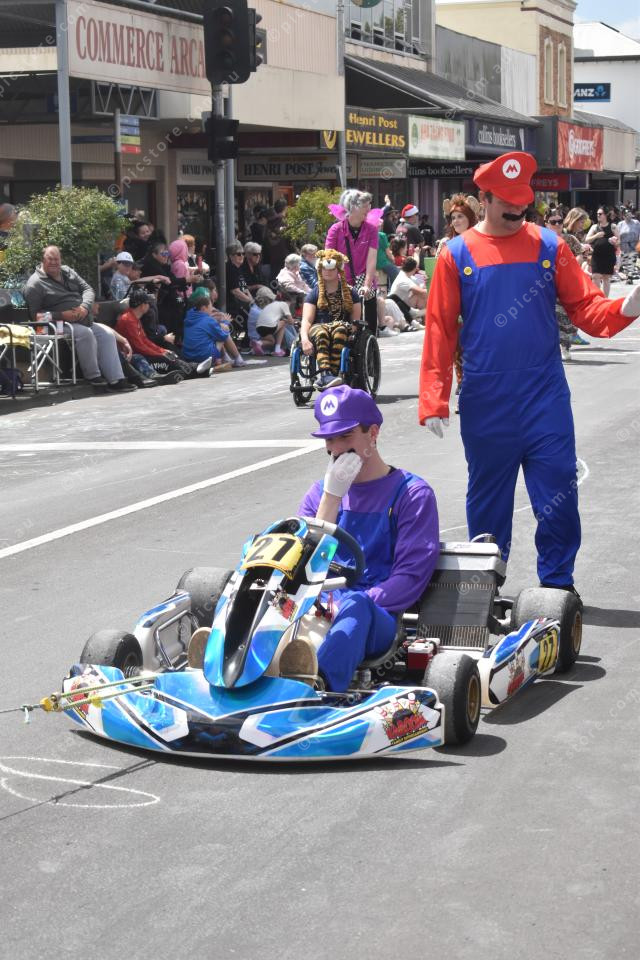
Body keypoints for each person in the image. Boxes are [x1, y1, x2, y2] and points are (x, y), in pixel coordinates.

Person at [418, 150, 640, 598]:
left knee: (558, 493)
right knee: (488, 503)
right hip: (486, 400)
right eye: (507, 201)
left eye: (523, 200)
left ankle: (557, 586)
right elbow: (439, 327)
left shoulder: (549, 246)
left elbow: (586, 307)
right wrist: (433, 397)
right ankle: (484, 590)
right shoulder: (456, 254)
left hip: (544, 396)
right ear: (484, 199)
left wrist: (627, 307)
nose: (518, 208)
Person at [286, 385, 439, 691]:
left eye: (346, 436)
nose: (337, 449)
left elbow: (410, 578)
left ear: (373, 433)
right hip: (318, 605)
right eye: (330, 439)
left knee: (355, 604)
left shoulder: (412, 494)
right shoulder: (319, 495)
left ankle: (316, 688)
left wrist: (346, 603)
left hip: (376, 614)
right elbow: (300, 565)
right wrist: (332, 498)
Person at [23, 245, 135, 391]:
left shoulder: (67, 271)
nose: (54, 262)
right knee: (85, 333)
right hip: (55, 325)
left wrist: (84, 307)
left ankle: (116, 379)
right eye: (50, 259)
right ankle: (94, 377)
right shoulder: (34, 284)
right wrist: (62, 315)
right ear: (42, 260)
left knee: (107, 335)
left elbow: (88, 289)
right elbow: (35, 317)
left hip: (82, 318)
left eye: (56, 259)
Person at [301, 249, 361, 391]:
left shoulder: (351, 292)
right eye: (324, 268)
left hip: (342, 327)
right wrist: (304, 339)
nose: (327, 271)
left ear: (338, 269)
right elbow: (307, 320)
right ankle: (326, 375)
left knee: (340, 329)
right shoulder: (314, 293)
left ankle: (333, 374)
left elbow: (356, 320)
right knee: (321, 332)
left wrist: (352, 331)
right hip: (319, 327)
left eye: (331, 268)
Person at [116, 289, 209, 379]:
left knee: (170, 355)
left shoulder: (134, 318)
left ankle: (196, 368)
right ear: (142, 305)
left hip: (141, 354)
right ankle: (196, 370)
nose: (149, 305)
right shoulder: (128, 320)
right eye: (148, 303)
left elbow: (145, 341)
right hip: (136, 358)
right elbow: (139, 347)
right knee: (165, 359)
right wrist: (159, 354)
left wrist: (162, 351)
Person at [326, 189, 379, 335]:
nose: (368, 209)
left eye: (369, 205)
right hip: (342, 281)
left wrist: (367, 285)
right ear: (352, 207)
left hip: (364, 280)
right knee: (342, 327)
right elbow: (329, 258)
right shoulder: (336, 230)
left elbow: (371, 260)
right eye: (365, 205)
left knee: (369, 327)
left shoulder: (371, 230)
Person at [182, 293, 246, 369]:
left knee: (215, 332)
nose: (212, 309)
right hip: (204, 358)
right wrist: (225, 322)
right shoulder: (208, 320)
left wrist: (217, 321)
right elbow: (222, 335)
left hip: (188, 358)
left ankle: (225, 358)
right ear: (203, 308)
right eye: (210, 306)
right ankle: (238, 360)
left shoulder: (189, 317)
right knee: (224, 332)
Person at [247, 286, 291, 356]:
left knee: (282, 323)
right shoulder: (260, 312)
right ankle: (277, 349)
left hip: (254, 335)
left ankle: (259, 345)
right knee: (283, 323)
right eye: (269, 300)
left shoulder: (255, 308)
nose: (271, 301)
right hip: (260, 336)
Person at [585, 205, 618, 297]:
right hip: (597, 255)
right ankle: (597, 298)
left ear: (606, 215)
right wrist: (596, 236)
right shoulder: (594, 227)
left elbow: (619, 241)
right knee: (595, 276)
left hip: (609, 255)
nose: (598, 215)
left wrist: (614, 241)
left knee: (606, 278)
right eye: (597, 214)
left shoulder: (613, 226)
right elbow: (587, 240)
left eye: (600, 214)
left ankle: (605, 299)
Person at [225, 241, 254, 343]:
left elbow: (244, 288)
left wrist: (252, 301)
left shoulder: (238, 268)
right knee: (249, 318)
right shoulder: (230, 269)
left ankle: (247, 343)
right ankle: (243, 344)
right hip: (233, 305)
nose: (242, 256)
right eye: (238, 254)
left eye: (243, 254)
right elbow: (235, 291)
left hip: (241, 303)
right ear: (231, 256)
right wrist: (250, 301)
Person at [618, 208, 640, 283]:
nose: (629, 216)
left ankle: (630, 277)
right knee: (625, 262)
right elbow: (617, 234)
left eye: (630, 214)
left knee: (632, 261)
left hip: (633, 244)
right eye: (627, 215)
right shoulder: (620, 224)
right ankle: (628, 276)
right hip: (624, 245)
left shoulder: (636, 223)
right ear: (623, 216)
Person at [376, 221, 399, 288]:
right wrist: (393, 259)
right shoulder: (381, 235)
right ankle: (393, 290)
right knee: (397, 273)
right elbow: (388, 253)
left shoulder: (367, 234)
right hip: (382, 263)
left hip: (372, 263)